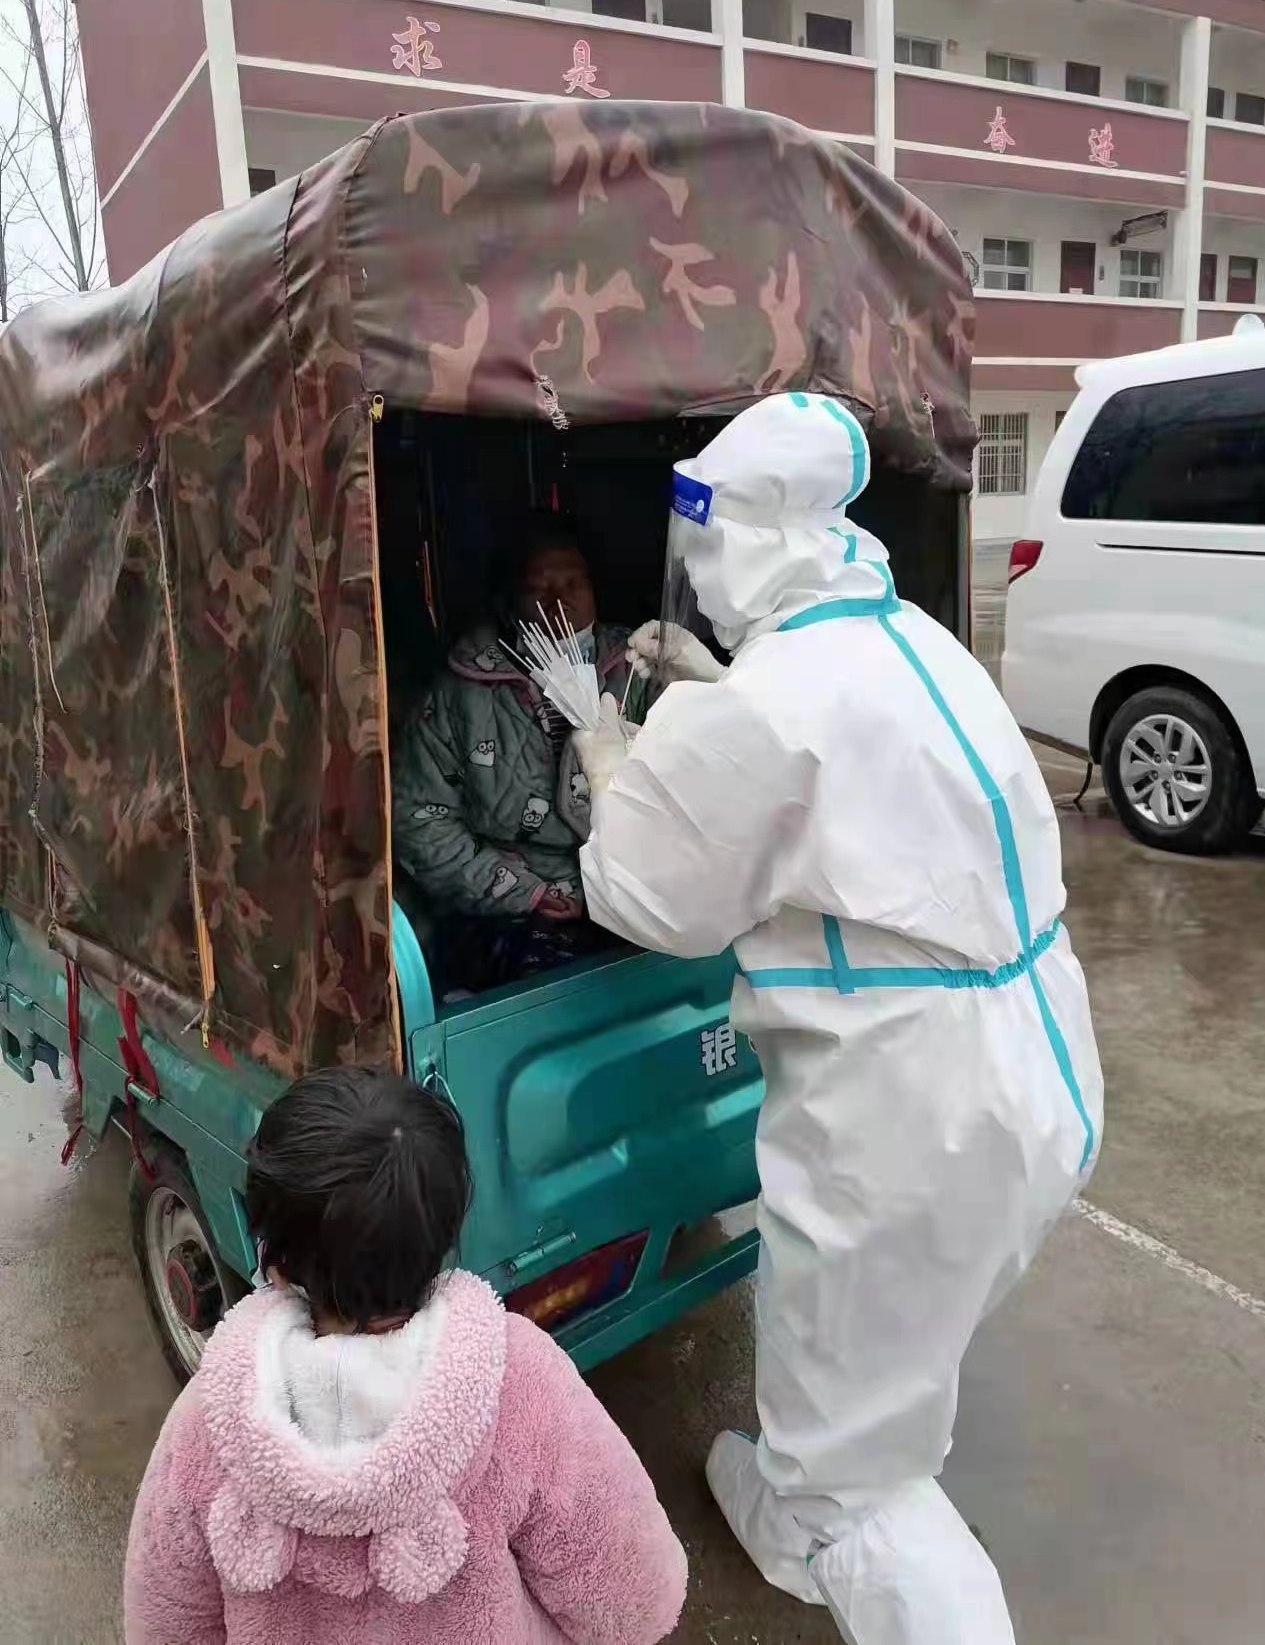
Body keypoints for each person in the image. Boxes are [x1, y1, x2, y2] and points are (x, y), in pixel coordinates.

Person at [574, 393, 1105, 1645]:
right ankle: (802, 1494)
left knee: (862, 1481)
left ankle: (848, 1532)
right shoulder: (911, 640)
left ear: (744, 542)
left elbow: (647, 891)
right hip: (1037, 1074)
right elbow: (843, 771)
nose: (698, 573)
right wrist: (722, 689)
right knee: (885, 1366)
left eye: (705, 547)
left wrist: (612, 757)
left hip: (912, 1119)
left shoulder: (770, 702)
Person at [123, 1066, 687, 1645]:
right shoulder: (515, 1383)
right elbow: (635, 1600)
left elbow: (164, 1624)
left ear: (277, 1266)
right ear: (443, 1239)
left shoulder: (210, 1422)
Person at [394, 524, 631, 988]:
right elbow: (419, 819)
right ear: (509, 604)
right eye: (538, 589)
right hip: (517, 902)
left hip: (632, 884)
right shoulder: (460, 696)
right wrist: (525, 892)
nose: (559, 602)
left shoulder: (639, 671)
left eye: (573, 583)